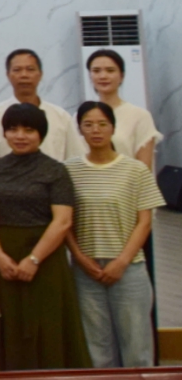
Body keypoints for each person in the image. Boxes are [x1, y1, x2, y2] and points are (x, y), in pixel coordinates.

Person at [0, 102, 90, 369]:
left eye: (29, 130)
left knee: (50, 322)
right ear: (4, 133)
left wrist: (34, 259)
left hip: (47, 254)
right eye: (13, 129)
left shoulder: (55, 170)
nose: (20, 136)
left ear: (41, 134)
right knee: (14, 321)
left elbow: (62, 221)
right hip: (8, 254)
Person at [64, 101, 166, 367]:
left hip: (129, 269)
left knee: (136, 347)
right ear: (80, 130)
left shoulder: (135, 170)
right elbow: (64, 222)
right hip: (86, 271)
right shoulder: (69, 170)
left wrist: (121, 262)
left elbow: (144, 222)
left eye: (102, 124)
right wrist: (80, 258)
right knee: (96, 349)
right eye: (88, 125)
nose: (95, 130)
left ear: (113, 127)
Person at [0, 49, 85, 162]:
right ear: (8, 75)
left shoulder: (61, 116)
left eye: (30, 69)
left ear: (40, 74)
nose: (24, 75)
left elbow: (75, 158)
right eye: (17, 70)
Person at [84, 51, 160, 169]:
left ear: (122, 76)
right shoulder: (81, 116)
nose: (103, 76)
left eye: (110, 70)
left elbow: (144, 169)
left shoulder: (139, 116)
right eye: (96, 71)